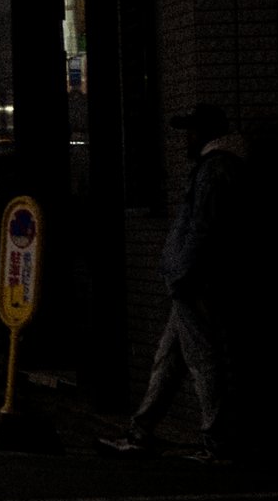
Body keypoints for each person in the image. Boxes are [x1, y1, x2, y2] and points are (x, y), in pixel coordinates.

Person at [101, 103, 256, 463]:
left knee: (202, 359)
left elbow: (204, 230)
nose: (186, 138)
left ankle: (215, 442)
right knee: (169, 357)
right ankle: (141, 431)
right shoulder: (219, 166)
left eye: (190, 131)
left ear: (205, 132)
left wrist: (182, 273)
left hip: (197, 282)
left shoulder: (215, 169)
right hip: (195, 281)